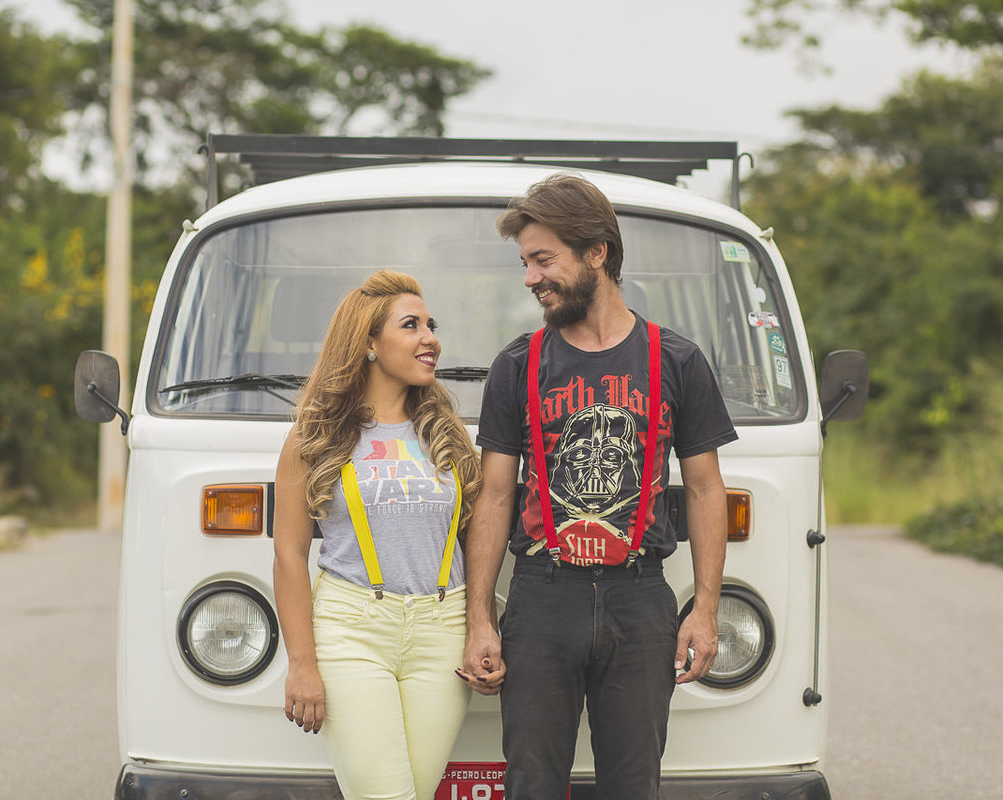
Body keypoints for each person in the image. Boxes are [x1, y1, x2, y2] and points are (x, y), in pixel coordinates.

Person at [457, 174, 739, 799]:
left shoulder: (678, 361)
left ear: (596, 253)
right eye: (526, 263)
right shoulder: (517, 364)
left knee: (633, 786)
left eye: (543, 260)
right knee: (530, 784)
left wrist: (706, 610)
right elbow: (495, 497)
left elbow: (704, 490)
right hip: (541, 597)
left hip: (640, 602)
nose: (530, 277)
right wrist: (480, 618)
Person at [271, 269, 482, 800]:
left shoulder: (448, 435)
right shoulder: (313, 436)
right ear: (368, 343)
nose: (429, 338)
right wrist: (301, 664)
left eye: (430, 325)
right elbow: (289, 555)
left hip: (442, 630)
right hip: (352, 631)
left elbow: (475, 542)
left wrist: (484, 627)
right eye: (410, 326)